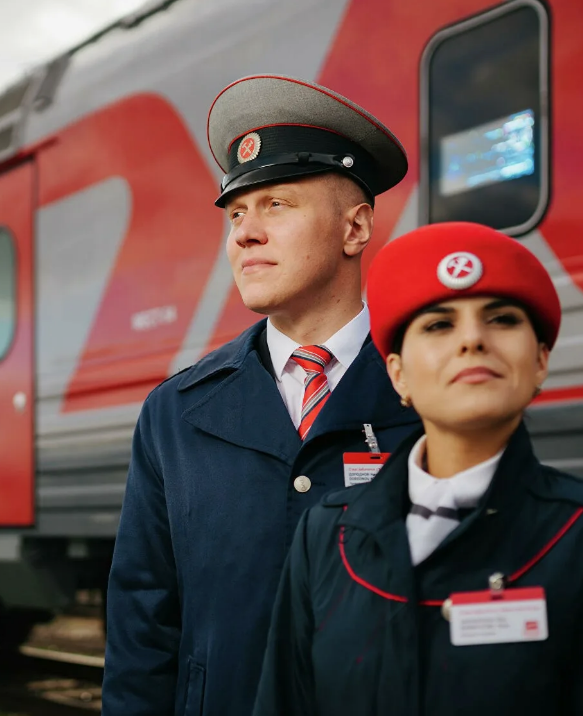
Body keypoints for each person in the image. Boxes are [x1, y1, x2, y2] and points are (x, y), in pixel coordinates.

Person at [253, 222, 583, 715]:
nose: (473, 340)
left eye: (501, 319)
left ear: (539, 361)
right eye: (439, 325)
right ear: (398, 374)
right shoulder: (327, 534)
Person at [101, 75, 423, 716]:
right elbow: (144, 624)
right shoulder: (177, 412)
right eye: (237, 214)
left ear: (354, 228)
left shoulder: (426, 393)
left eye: (277, 205)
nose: (246, 233)